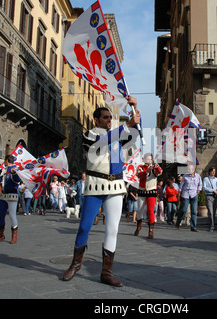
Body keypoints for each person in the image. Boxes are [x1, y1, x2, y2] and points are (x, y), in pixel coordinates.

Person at [62, 96, 140, 287]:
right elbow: (102, 142)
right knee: (84, 226)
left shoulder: (116, 135)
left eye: (109, 117)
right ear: (97, 120)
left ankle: (107, 273)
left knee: (112, 230)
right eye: (105, 117)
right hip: (95, 184)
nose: (108, 120)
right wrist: (127, 124)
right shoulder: (89, 135)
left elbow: (135, 133)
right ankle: (75, 264)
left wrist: (134, 107)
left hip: (116, 186)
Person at [0, 155, 22, 244]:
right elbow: (1, 180)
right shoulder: (3, 170)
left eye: (4, 161)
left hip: (12, 194)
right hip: (3, 194)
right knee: (1, 214)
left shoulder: (15, 169)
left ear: (6, 161)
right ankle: (1, 234)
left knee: (12, 215)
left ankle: (14, 235)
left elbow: (18, 179)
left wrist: (14, 173)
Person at [134, 153, 162, 239]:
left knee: (150, 210)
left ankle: (151, 231)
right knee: (140, 210)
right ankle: (139, 226)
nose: (149, 161)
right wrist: (147, 171)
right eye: (147, 159)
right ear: (144, 160)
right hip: (142, 191)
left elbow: (159, 172)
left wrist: (156, 166)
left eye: (150, 159)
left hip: (152, 191)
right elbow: (139, 176)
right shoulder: (140, 167)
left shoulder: (155, 167)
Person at [175, 164, 202, 232]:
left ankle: (193, 226)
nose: (188, 170)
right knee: (183, 210)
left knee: (194, 211)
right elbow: (181, 186)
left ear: (193, 170)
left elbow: (200, 184)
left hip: (194, 194)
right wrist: (179, 194)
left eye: (190, 169)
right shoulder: (185, 176)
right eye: (188, 169)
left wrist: (198, 190)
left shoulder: (198, 176)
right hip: (185, 194)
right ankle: (178, 222)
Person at [203, 167, 217, 231]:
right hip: (209, 196)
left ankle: (213, 226)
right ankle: (211, 226)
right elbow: (204, 188)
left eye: (214, 171)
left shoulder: (216, 179)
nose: (214, 172)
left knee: (214, 212)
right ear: (209, 172)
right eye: (213, 171)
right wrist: (212, 190)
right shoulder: (206, 179)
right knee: (210, 212)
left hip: (215, 196)